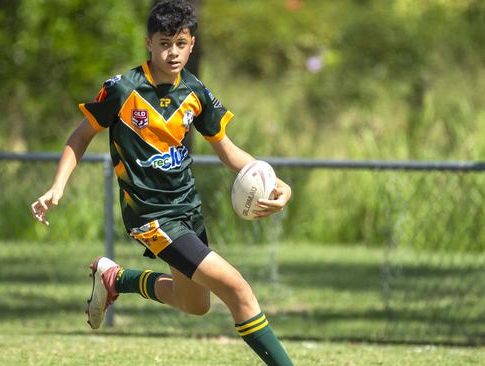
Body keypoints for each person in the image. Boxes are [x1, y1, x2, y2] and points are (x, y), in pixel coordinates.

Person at [31, 1, 293, 364]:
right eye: (164, 43)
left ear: (192, 44)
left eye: (180, 43)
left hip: (188, 209)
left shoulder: (195, 92)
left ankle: (116, 279)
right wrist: (57, 186)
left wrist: (278, 183)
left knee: (195, 304)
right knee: (238, 290)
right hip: (151, 215)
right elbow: (79, 137)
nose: (173, 52)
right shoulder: (123, 89)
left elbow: (229, 152)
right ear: (149, 44)